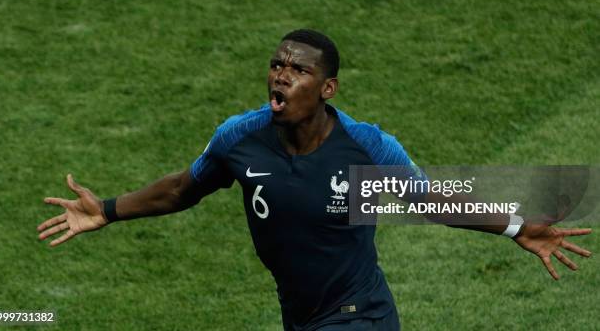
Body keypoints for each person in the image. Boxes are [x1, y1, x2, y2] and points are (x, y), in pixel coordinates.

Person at [37, 29, 593, 330]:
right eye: (278, 63)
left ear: (327, 89)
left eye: (299, 69)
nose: (282, 73)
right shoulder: (241, 138)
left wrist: (516, 226)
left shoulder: (364, 149)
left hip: (358, 315)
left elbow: (428, 200)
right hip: (298, 314)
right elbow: (184, 187)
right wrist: (106, 209)